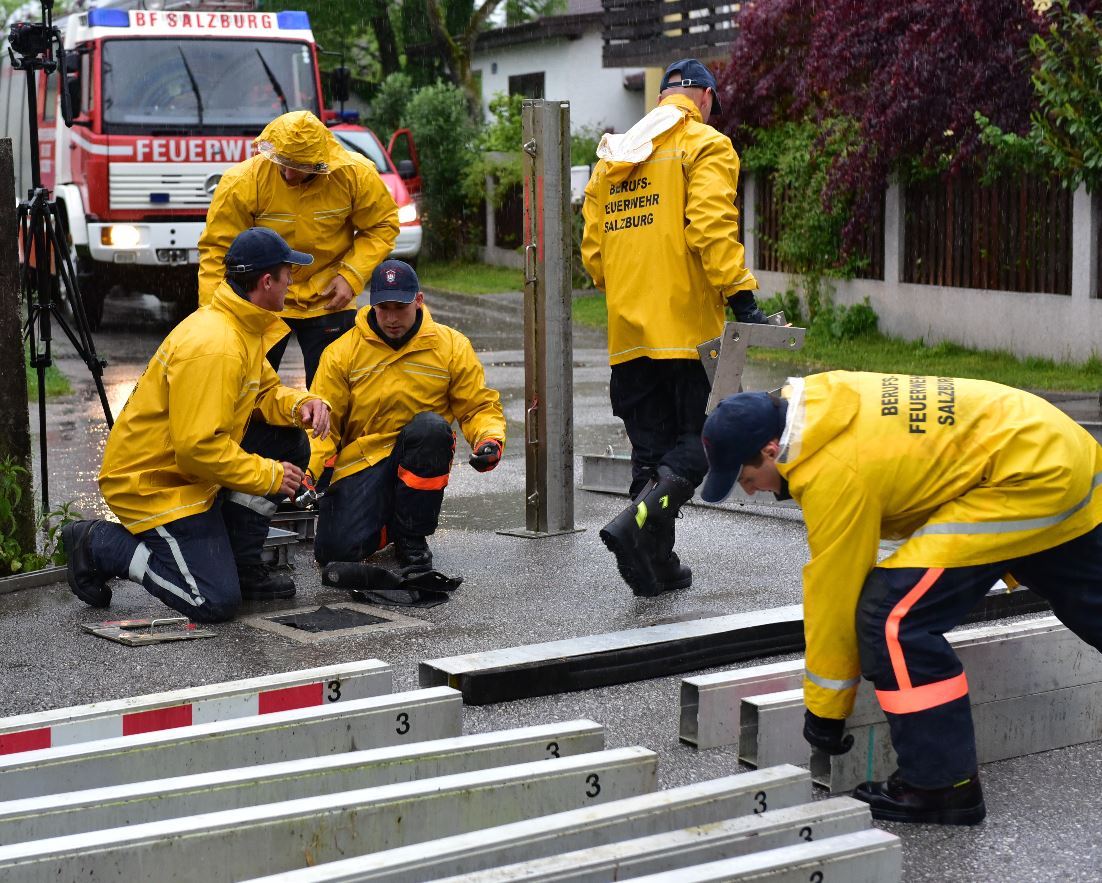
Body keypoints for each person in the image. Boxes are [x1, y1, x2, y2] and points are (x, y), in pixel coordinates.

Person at [699, 370, 1102, 825]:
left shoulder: (832, 470)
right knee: (1088, 597)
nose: (750, 490)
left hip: (1027, 478)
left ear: (772, 448)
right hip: (1056, 447)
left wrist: (826, 709)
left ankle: (940, 787)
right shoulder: (821, 401)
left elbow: (835, 591)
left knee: (890, 617)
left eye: (748, 477)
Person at [62, 228, 332, 623]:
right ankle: (97, 544)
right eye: (288, 272)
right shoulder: (217, 345)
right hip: (155, 485)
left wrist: (301, 405)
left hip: (192, 474)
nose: (293, 280)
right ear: (266, 281)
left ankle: (240, 564)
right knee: (211, 600)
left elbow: (262, 394)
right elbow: (197, 449)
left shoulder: (243, 325)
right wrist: (269, 475)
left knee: (288, 442)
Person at [581, 58, 770, 598]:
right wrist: (741, 295)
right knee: (702, 445)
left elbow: (594, 258)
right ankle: (632, 527)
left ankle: (654, 567)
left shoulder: (614, 156)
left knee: (651, 455)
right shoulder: (705, 143)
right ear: (705, 97)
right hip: (687, 333)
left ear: (663, 95)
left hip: (628, 338)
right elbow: (709, 226)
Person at [308, 259, 506, 575]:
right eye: (383, 308)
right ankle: (389, 523)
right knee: (335, 552)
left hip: (419, 451)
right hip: (364, 460)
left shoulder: (451, 346)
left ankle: (410, 535)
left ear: (419, 300)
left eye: (399, 307)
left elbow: (477, 407)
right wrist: (311, 470)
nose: (391, 318)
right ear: (371, 306)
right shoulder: (341, 352)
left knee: (431, 429)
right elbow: (323, 423)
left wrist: (488, 439)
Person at [198, 110, 399, 386]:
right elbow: (218, 251)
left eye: (301, 166)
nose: (290, 174)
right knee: (247, 391)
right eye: (284, 162)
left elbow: (381, 225)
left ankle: (329, 432)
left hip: (328, 298)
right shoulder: (242, 182)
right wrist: (213, 319)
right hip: (263, 300)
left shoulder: (354, 175)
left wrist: (351, 276)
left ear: (322, 161)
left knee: (333, 393)